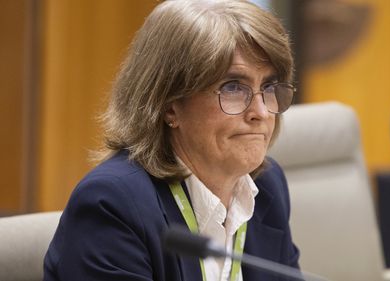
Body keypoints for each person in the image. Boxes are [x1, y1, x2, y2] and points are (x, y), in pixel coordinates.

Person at [43, 0, 299, 280]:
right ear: (169, 105)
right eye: (233, 87)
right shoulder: (112, 205)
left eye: (269, 87)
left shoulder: (266, 189)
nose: (261, 112)